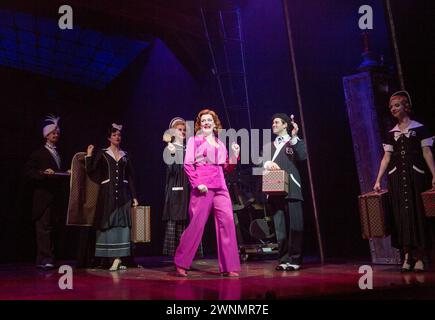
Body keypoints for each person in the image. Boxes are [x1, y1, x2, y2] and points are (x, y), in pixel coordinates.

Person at [174, 109, 241, 277]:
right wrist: (197, 184)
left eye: (209, 120)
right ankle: (181, 262)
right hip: (203, 186)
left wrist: (235, 155)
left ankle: (229, 265)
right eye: (203, 120)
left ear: (214, 123)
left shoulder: (220, 143)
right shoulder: (194, 141)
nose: (206, 122)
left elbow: (227, 167)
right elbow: (188, 165)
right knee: (197, 225)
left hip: (221, 186)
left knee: (227, 222)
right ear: (200, 124)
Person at [374, 91, 435, 272]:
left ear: (406, 106)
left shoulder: (420, 129)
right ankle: (407, 255)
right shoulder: (391, 133)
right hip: (397, 179)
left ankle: (420, 256)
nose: (393, 109)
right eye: (391, 107)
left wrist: (434, 174)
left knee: (417, 214)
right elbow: (386, 157)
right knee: (401, 216)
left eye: (397, 105)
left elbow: (427, 153)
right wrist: (378, 179)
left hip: (415, 177)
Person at [85, 123, 138, 271]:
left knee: (122, 224)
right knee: (107, 223)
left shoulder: (125, 155)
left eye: (119, 135)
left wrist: (134, 196)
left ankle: (118, 258)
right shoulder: (102, 153)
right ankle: (109, 259)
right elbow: (91, 171)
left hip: (123, 194)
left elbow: (130, 177)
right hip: (106, 193)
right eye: (114, 135)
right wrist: (89, 156)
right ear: (109, 137)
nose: (117, 137)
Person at [262, 113, 307, 271]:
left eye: (276, 122)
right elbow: (262, 163)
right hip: (275, 189)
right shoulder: (269, 146)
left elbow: (302, 156)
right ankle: (283, 259)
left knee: (296, 224)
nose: (273, 124)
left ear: (285, 125)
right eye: (273, 122)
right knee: (279, 227)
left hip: (292, 187)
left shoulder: (294, 142)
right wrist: (267, 163)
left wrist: (295, 138)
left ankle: (295, 259)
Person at [25, 115, 69, 270]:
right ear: (46, 135)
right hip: (43, 197)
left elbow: (57, 173)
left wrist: (67, 173)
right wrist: (43, 173)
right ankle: (45, 259)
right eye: (53, 133)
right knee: (43, 229)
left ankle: (45, 259)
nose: (56, 135)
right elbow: (29, 171)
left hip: (55, 197)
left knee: (51, 228)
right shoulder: (39, 153)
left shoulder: (58, 153)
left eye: (57, 132)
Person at [162, 117, 203, 257]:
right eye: (180, 129)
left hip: (189, 191)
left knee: (189, 221)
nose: (183, 132)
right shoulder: (170, 148)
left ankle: (188, 255)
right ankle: (178, 256)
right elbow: (171, 170)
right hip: (177, 191)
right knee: (178, 222)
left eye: (184, 130)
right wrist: (172, 153)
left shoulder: (189, 149)